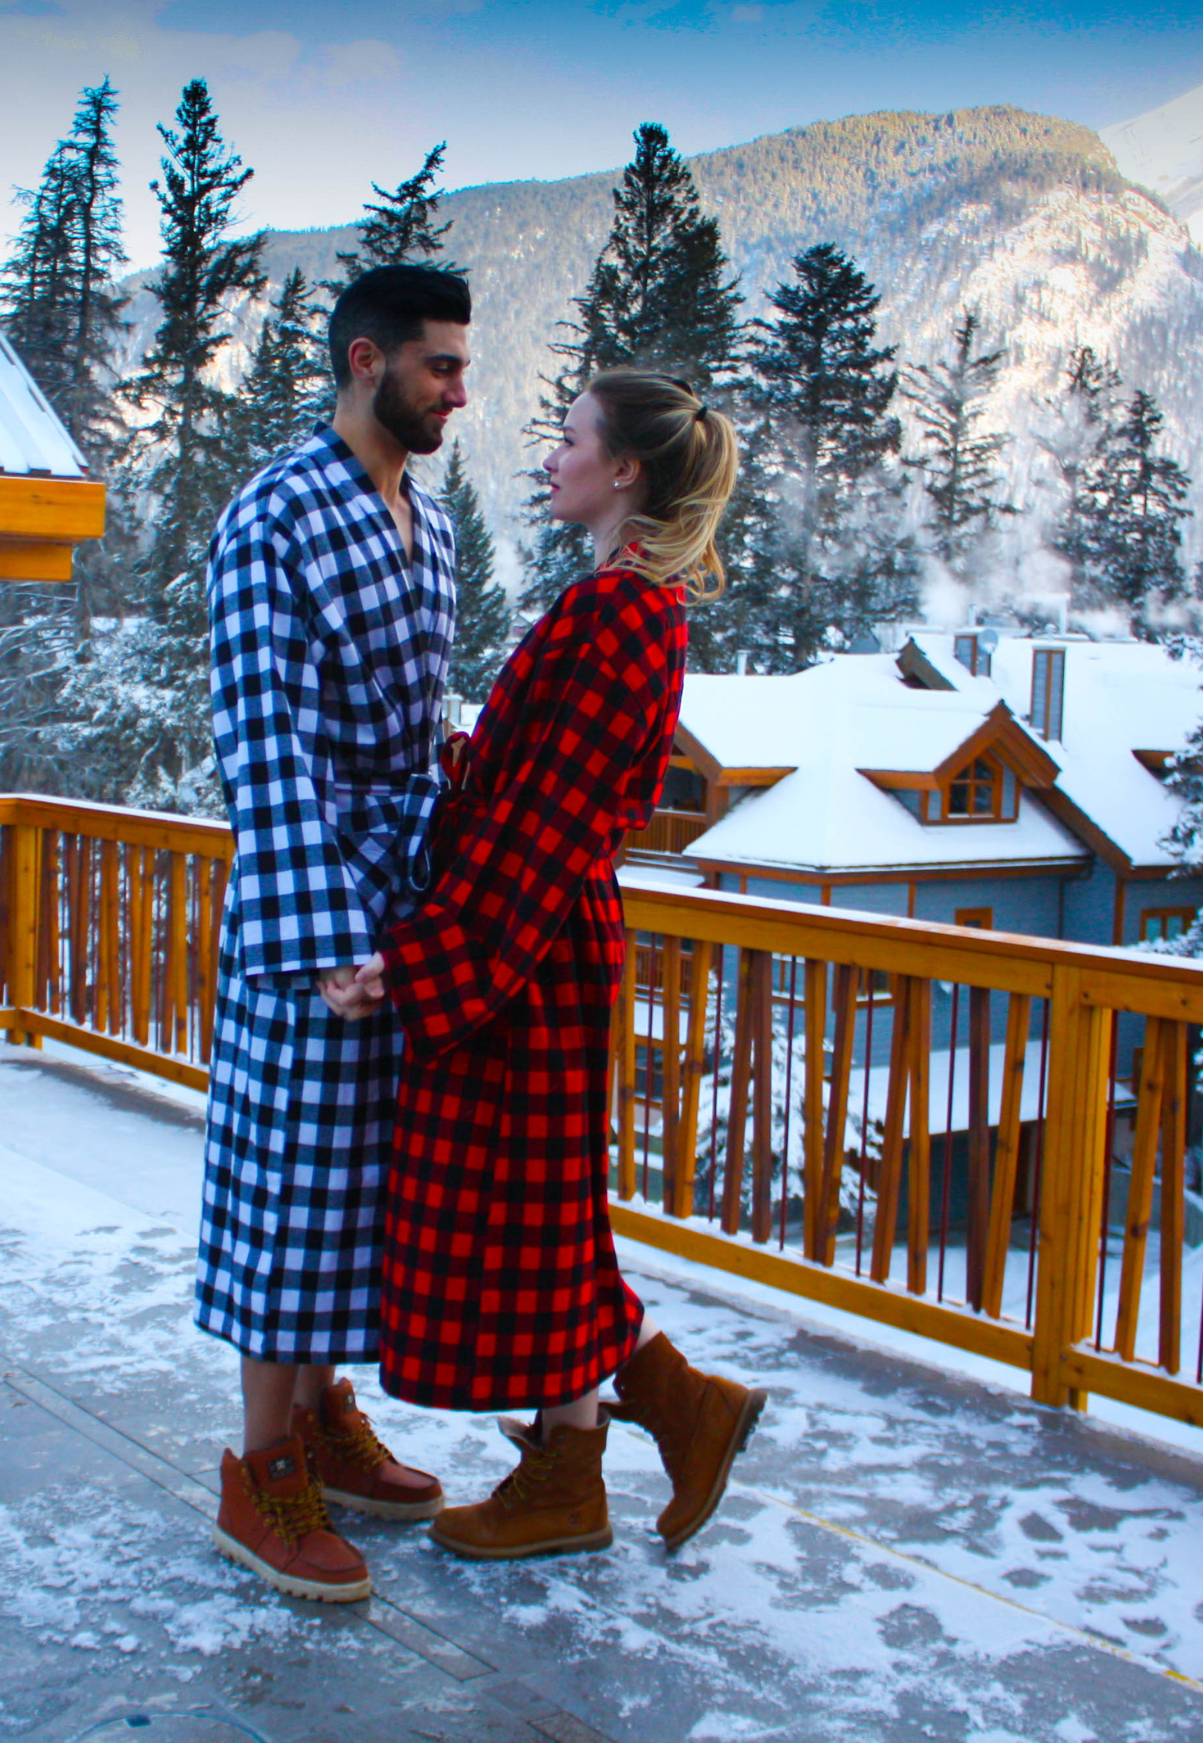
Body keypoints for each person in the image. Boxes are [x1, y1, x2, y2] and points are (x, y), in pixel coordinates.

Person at [348, 369, 767, 1560]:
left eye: (571, 437)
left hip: (526, 946)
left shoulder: (620, 617)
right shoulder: (625, 606)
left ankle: (600, 1460)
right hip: (539, 934)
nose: (553, 454)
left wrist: (415, 962)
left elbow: (544, 821)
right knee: (548, 1218)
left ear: (623, 470)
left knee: (534, 1220)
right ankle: (614, 1449)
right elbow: (527, 783)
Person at [195, 264, 472, 1602]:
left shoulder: (430, 513)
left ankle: (322, 1416)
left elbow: (411, 719)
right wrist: (324, 944)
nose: (459, 392)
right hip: (314, 914)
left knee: (356, 1192)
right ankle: (260, 1472)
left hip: (399, 896)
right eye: (440, 367)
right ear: (367, 362)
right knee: (288, 1190)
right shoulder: (275, 518)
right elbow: (266, 749)